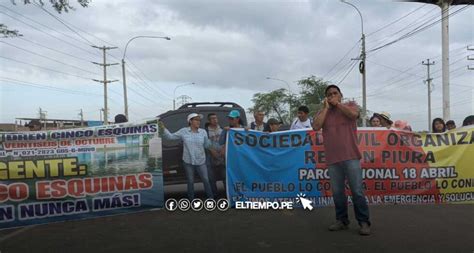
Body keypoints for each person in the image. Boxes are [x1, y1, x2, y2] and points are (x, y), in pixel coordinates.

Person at [313, 84, 371, 236]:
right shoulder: (323, 112)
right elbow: (316, 126)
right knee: (338, 192)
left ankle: (364, 222)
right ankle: (341, 220)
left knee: (357, 191)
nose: (332, 95)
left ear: (340, 95)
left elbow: (354, 115)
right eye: (329, 94)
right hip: (333, 159)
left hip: (351, 156)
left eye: (335, 93)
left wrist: (337, 104)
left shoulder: (350, 106)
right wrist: (326, 108)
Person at [160, 113, 213, 200]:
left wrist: (217, 148)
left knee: (206, 180)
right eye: (196, 120)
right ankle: (191, 199)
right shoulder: (183, 131)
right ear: (190, 121)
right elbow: (170, 137)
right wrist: (163, 128)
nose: (198, 122)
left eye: (199, 120)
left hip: (201, 161)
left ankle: (211, 198)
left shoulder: (203, 132)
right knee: (190, 181)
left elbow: (207, 145)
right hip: (188, 161)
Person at [204, 113, 224, 196]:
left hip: (222, 156)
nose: (215, 120)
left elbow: (226, 140)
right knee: (211, 178)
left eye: (216, 118)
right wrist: (212, 151)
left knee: (225, 176)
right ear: (209, 121)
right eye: (212, 118)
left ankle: (227, 194)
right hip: (210, 156)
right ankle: (214, 195)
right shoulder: (205, 131)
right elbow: (205, 142)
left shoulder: (222, 129)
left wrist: (223, 149)